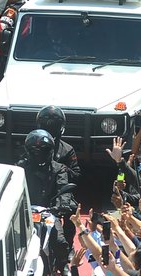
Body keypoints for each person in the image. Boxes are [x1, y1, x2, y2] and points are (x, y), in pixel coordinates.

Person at [19, 129, 72, 276]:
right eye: (35, 150)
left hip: (50, 212)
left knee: (60, 240)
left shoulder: (59, 169)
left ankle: (62, 264)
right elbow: (13, 186)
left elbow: (64, 189)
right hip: (25, 212)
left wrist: (62, 205)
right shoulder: (21, 167)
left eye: (43, 150)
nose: (39, 154)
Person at [36, 105, 79, 256]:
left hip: (60, 191)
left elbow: (76, 175)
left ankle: (68, 247)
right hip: (39, 189)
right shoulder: (34, 144)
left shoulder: (67, 149)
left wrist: (61, 168)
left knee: (71, 211)